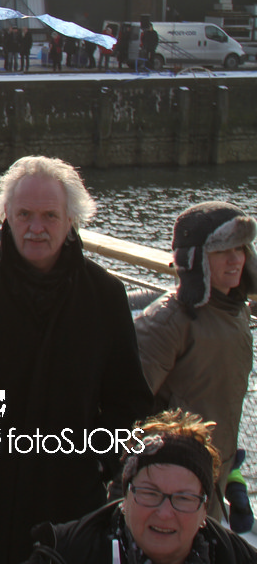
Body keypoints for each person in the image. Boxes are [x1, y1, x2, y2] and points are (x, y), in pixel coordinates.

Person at [0, 155, 154, 564]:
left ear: (71, 219)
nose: (36, 228)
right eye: (24, 214)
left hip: (68, 510)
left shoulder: (103, 295)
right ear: (6, 214)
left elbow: (129, 398)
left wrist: (98, 461)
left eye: (49, 216)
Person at [135, 201, 256, 520]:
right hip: (168, 487)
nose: (236, 260)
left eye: (240, 249)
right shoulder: (168, 322)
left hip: (213, 475)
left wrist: (232, 474)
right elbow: (125, 408)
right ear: (195, 260)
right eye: (222, 251)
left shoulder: (237, 311)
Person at [26, 410, 257, 564]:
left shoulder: (238, 558)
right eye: (150, 493)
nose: (164, 513)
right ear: (125, 499)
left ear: (204, 510)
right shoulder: (64, 554)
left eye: (183, 498)